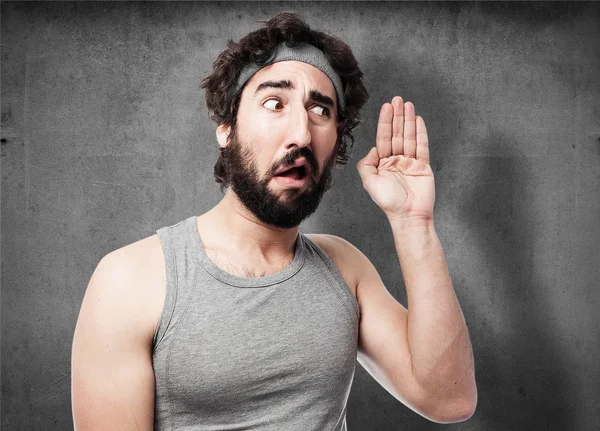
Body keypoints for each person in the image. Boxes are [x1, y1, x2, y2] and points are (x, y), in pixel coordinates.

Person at [71, 12, 477, 431]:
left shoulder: (345, 269)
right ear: (226, 127)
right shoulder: (129, 279)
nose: (301, 133)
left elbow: (448, 398)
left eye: (320, 109)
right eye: (273, 103)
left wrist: (413, 220)